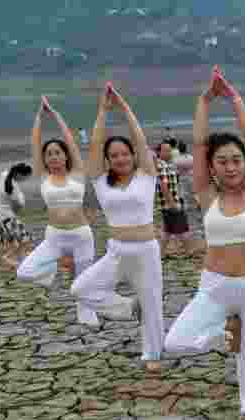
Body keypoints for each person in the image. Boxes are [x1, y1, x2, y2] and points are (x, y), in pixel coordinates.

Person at [164, 67, 245, 420]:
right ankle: (225, 334)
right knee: (175, 341)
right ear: (211, 167)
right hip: (215, 285)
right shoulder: (207, 196)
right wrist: (204, 101)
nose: (230, 166)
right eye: (222, 161)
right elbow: (197, 145)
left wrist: (236, 101)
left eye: (236, 160)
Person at [71, 82, 164, 373]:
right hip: (117, 252)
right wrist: (102, 110)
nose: (121, 158)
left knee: (152, 304)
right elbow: (95, 144)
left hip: (146, 250)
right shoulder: (101, 182)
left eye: (125, 153)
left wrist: (124, 109)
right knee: (81, 288)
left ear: (134, 155)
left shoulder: (146, 176)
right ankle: (126, 308)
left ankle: (153, 354)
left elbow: (138, 138)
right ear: (108, 161)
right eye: (115, 156)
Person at [15, 97, 100, 326]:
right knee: (24, 272)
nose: (53, 157)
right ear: (44, 159)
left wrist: (55, 114)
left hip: (81, 235)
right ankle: (52, 270)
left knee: (83, 283)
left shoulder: (77, 173)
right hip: (55, 236)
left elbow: (70, 140)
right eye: (49, 154)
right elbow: (34, 143)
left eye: (57, 153)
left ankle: (87, 316)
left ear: (65, 156)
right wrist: (39, 117)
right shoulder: (44, 177)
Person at [154, 140, 192, 257]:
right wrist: (173, 204)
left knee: (168, 230)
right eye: (165, 150)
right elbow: (163, 186)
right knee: (182, 228)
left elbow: (173, 184)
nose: (168, 152)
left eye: (170, 150)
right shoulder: (160, 166)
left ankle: (161, 254)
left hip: (171, 202)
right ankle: (188, 251)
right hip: (171, 204)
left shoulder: (168, 164)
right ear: (159, 152)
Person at [0, 162, 33, 268]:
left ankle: (20, 257)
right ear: (20, 175)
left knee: (11, 241)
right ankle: (7, 259)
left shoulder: (4, 174)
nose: (25, 180)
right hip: (7, 217)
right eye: (25, 177)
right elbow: (19, 207)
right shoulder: (14, 190)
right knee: (25, 240)